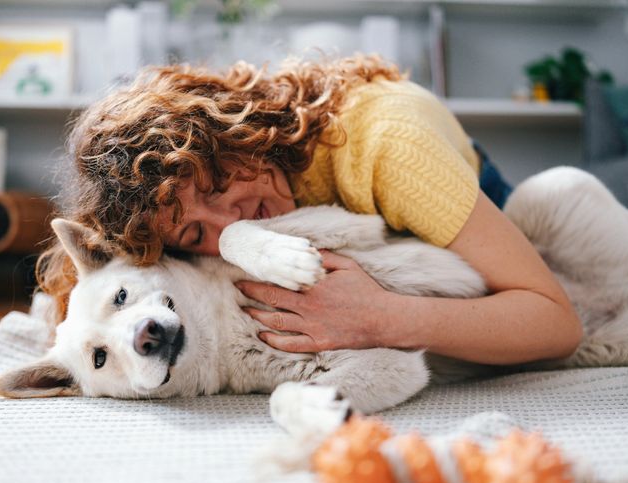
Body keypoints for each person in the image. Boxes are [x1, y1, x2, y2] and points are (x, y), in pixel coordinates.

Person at [40, 53, 584, 366]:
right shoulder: (259, 184)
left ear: (230, 134)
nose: (233, 225)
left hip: (483, 195)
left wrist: (379, 319)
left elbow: (556, 322)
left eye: (213, 185)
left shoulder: (391, 152)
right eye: (194, 233)